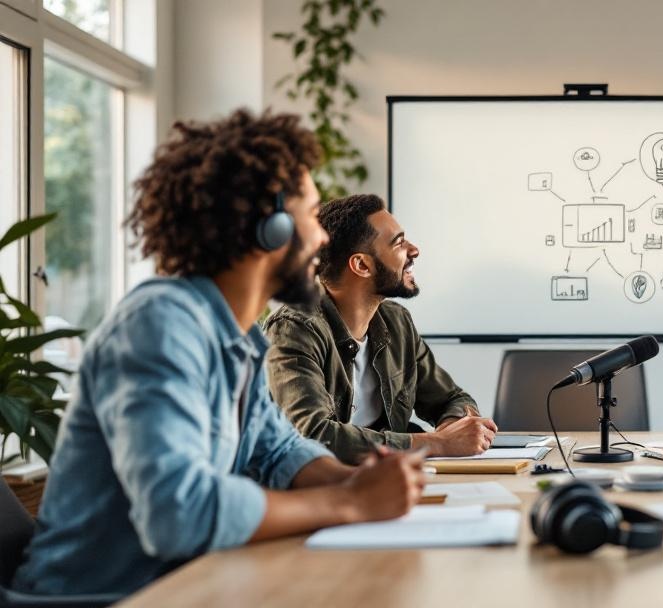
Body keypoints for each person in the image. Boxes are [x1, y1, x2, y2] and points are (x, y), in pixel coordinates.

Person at [13, 110, 425, 597]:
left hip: (185, 588)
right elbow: (177, 512)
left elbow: (277, 450)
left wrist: (352, 479)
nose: (321, 240)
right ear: (268, 228)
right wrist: (350, 503)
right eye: (310, 218)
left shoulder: (235, 337)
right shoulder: (161, 326)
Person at [265, 194, 496, 463]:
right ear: (362, 265)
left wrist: (453, 427)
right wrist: (436, 443)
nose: (414, 250)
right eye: (398, 243)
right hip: (319, 492)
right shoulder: (294, 329)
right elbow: (314, 435)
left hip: (387, 484)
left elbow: (452, 399)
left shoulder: (396, 322)